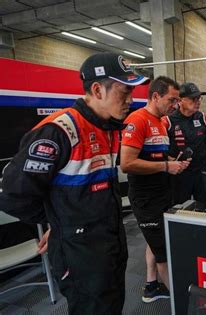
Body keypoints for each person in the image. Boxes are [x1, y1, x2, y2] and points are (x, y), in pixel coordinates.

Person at [0, 52, 148, 314]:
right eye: (124, 91)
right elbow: (11, 193)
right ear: (96, 90)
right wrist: (57, 223)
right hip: (79, 254)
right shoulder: (58, 130)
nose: (131, 99)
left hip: (109, 244)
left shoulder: (109, 127)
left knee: (112, 305)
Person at [120, 76, 190, 302]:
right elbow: (127, 163)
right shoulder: (137, 119)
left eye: (177, 100)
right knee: (163, 252)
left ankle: (151, 287)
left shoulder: (161, 122)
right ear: (156, 96)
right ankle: (179, 299)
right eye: (172, 99)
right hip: (145, 198)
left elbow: (156, 156)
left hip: (162, 193)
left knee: (156, 241)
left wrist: (174, 161)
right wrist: (166, 165)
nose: (175, 105)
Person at [163, 82, 206, 208]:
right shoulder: (167, 121)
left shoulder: (204, 118)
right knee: (179, 208)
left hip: (201, 171)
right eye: (193, 98)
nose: (197, 101)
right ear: (180, 100)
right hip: (179, 175)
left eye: (199, 98)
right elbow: (163, 150)